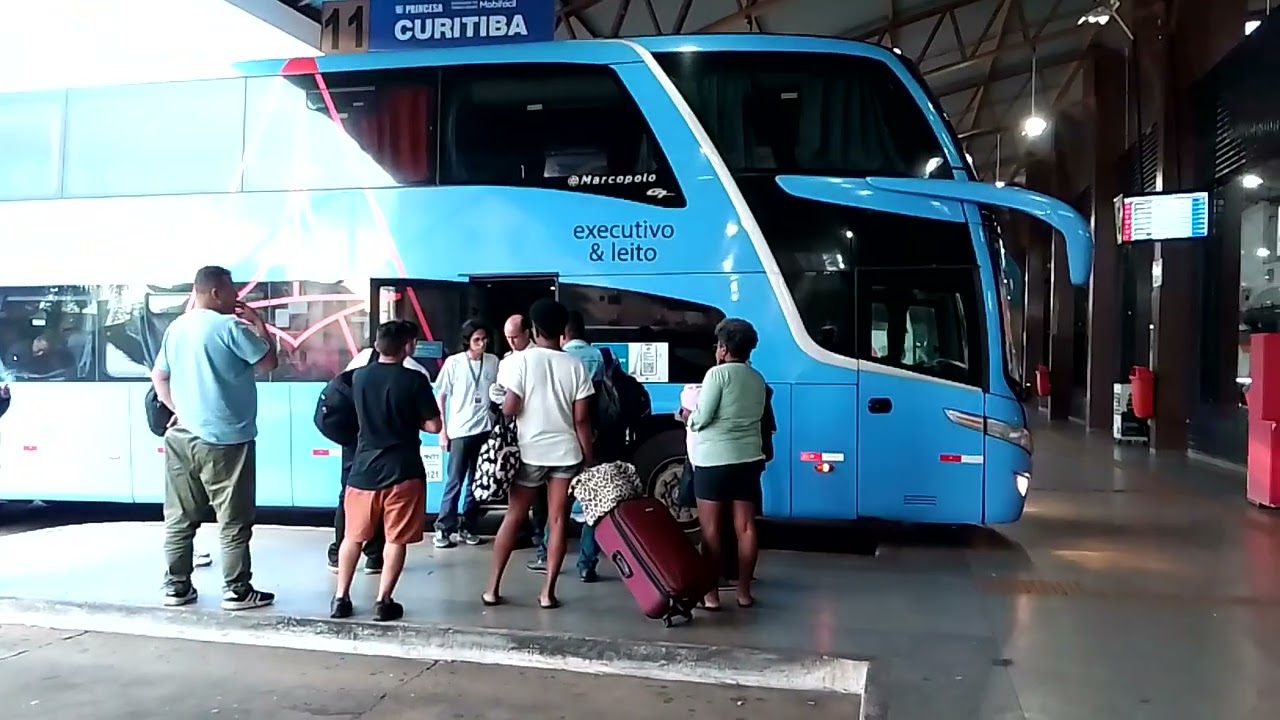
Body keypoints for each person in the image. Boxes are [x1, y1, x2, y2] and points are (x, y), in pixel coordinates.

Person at [151, 265, 279, 611]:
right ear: (216, 292)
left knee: (178, 518)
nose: (237, 297)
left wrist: (177, 408)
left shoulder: (176, 328)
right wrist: (259, 324)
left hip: (181, 436)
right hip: (227, 439)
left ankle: (177, 587)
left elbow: (158, 376)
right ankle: (237, 590)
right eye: (232, 290)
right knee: (233, 519)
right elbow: (268, 362)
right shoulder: (231, 327)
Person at [482, 299, 594, 609]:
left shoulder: (521, 362)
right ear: (563, 331)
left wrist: (503, 403)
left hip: (530, 452)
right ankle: (547, 594)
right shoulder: (575, 365)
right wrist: (589, 456)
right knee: (557, 520)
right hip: (566, 453)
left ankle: (492, 589)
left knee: (514, 516)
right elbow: (581, 419)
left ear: (533, 330)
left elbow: (510, 408)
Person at [331, 320, 442, 622]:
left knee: (352, 538)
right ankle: (383, 601)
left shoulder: (359, 377)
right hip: (403, 471)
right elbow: (434, 425)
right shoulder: (415, 380)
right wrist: (411, 420)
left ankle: (341, 598)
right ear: (407, 346)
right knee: (395, 539)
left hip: (363, 471)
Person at [679, 318, 765, 610]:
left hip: (713, 461)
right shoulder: (757, 378)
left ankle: (712, 595)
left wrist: (685, 416)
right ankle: (743, 592)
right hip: (749, 459)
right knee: (745, 527)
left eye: (718, 345)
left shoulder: (717, 375)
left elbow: (702, 419)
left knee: (712, 530)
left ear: (724, 348)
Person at [324, 345, 430, 574]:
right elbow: (430, 422)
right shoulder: (414, 373)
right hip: (392, 452)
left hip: (358, 442)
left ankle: (337, 558)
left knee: (351, 498)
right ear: (409, 344)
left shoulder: (362, 363)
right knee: (388, 502)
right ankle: (375, 557)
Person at [433, 320, 498, 549]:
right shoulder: (454, 363)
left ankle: (468, 526)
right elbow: (440, 396)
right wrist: (443, 429)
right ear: (467, 341)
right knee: (455, 481)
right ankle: (443, 528)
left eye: (484, 338)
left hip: (485, 429)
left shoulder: (493, 362)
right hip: (460, 430)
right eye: (477, 339)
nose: (482, 343)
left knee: (477, 482)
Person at [556, 310, 604, 582]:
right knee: (592, 501)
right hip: (592, 436)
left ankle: (546, 553)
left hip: (561, 439)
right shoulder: (597, 357)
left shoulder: (560, 360)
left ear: (563, 334)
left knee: (559, 501)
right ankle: (587, 563)